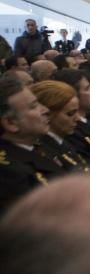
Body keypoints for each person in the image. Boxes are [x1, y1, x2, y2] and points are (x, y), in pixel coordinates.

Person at [0, 78, 61, 212]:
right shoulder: (10, 176)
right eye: (34, 106)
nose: (45, 110)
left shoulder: (36, 146)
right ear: (11, 123)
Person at [30, 80, 89, 171]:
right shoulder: (44, 150)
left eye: (77, 111)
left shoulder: (62, 140)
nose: (78, 119)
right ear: (47, 114)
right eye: (70, 114)